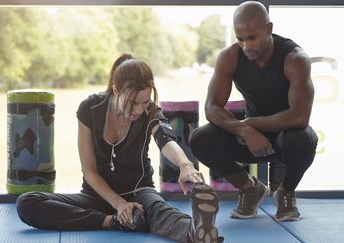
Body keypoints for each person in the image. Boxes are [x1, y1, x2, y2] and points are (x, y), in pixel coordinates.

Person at [16, 53, 223, 243]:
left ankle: (196, 231)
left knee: (160, 211)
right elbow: (89, 172)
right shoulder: (90, 109)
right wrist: (119, 206)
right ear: (116, 90)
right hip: (97, 196)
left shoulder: (150, 111)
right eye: (133, 103)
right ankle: (111, 221)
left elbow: (165, 140)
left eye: (144, 102)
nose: (139, 109)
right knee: (28, 202)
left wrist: (185, 165)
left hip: (139, 192)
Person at [189, 1, 318, 222]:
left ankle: (286, 192)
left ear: (268, 29)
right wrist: (244, 131)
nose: (246, 45)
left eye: (252, 37)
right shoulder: (230, 57)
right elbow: (212, 108)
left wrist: (252, 124)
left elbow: (299, 116)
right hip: (250, 137)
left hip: (285, 136)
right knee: (200, 139)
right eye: (240, 39)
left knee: (304, 139)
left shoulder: (294, 58)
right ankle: (249, 188)